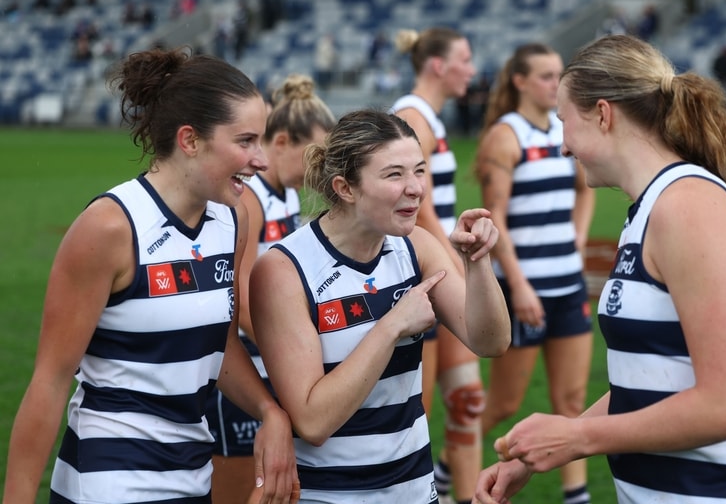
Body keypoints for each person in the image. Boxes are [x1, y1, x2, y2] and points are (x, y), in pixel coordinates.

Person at [475, 34, 726, 504]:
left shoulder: (688, 209)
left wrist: (576, 439)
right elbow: (645, 386)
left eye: (565, 123)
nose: (563, 147)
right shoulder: (651, 207)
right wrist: (547, 449)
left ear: (603, 114)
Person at [3, 47, 299, 504]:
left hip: (194, 476)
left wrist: (269, 411)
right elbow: (50, 379)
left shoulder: (230, 220)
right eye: (245, 141)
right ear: (190, 140)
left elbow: (217, 341)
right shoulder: (109, 228)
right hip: (110, 480)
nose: (260, 159)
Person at [249, 109, 511, 503]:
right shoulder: (284, 269)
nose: (416, 188)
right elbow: (313, 419)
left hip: (415, 489)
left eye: (420, 171)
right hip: (332, 495)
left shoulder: (416, 247)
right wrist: (391, 327)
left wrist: (477, 266)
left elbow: (491, 341)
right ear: (345, 188)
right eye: (394, 174)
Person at [474, 43, 595, 504]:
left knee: (572, 400)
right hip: (524, 290)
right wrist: (519, 285)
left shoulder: (567, 131)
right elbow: (494, 218)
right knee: (504, 404)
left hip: (568, 285)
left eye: (557, 75)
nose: (555, 83)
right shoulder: (506, 137)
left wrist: (577, 241)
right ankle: (456, 465)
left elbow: (586, 191)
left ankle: (576, 494)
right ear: (519, 82)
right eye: (545, 76)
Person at [207, 73, 336, 504]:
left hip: (272, 363)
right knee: (242, 492)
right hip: (246, 368)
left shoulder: (288, 194)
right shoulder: (251, 198)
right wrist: (297, 353)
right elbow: (238, 296)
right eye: (315, 155)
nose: (322, 167)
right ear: (281, 143)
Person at [390, 27, 483, 504]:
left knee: (467, 403)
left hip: (436, 272)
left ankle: (450, 490)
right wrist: (457, 274)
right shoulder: (413, 118)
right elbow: (420, 214)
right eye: (464, 58)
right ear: (437, 66)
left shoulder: (427, 118)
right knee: (419, 410)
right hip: (424, 280)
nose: (472, 67)